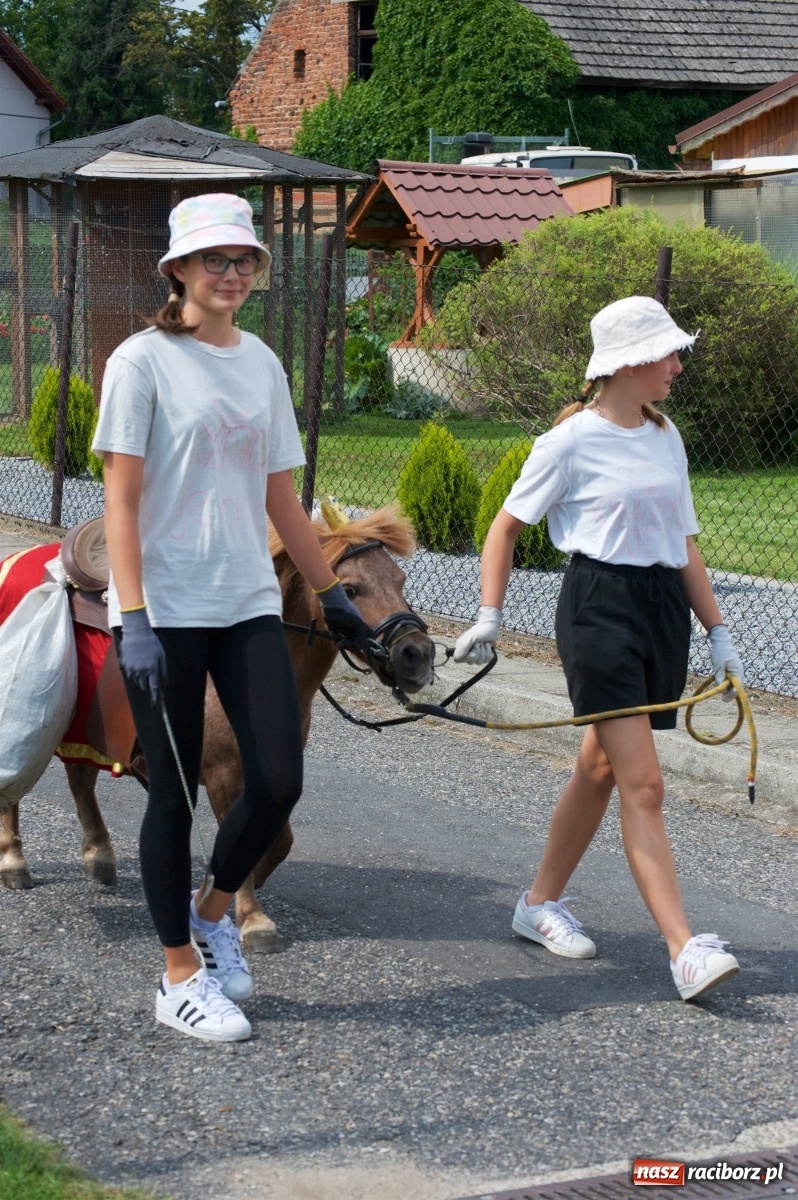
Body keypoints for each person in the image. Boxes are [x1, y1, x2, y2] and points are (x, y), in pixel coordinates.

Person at [92, 193, 372, 1042]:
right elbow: (121, 499)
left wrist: (329, 594)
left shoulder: (262, 364)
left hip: (246, 599)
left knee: (278, 781)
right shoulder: (140, 363)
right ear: (177, 269)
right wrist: (132, 617)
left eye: (244, 259)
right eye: (214, 260)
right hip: (164, 611)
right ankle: (178, 975)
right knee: (173, 799)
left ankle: (213, 914)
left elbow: (279, 495)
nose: (232, 273)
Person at [454, 296, 745, 1001]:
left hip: (660, 614)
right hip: (599, 611)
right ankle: (683, 950)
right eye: (668, 354)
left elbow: (683, 543)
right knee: (645, 783)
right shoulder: (570, 442)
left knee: (599, 768)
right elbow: (504, 528)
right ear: (627, 363)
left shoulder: (665, 434)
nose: (678, 366)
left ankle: (538, 904)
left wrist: (718, 630)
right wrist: (490, 615)